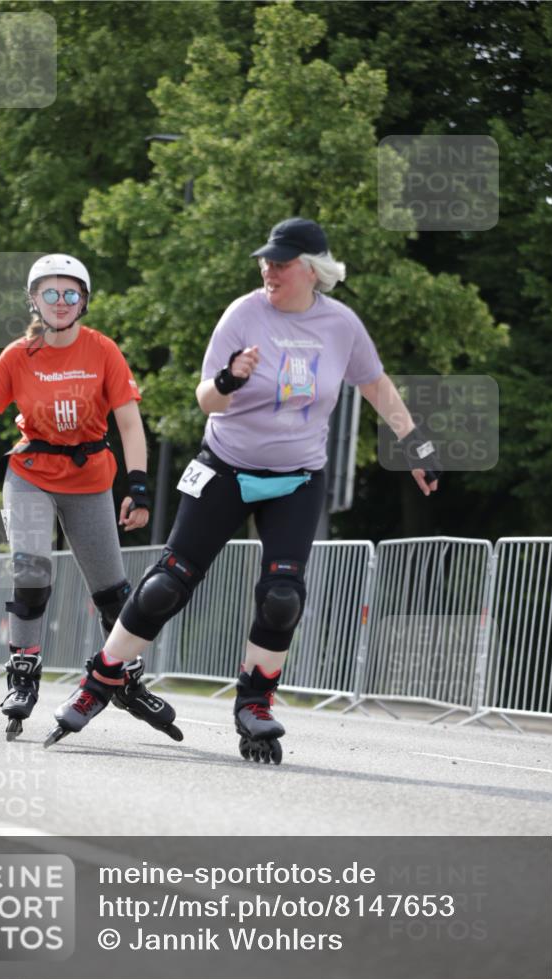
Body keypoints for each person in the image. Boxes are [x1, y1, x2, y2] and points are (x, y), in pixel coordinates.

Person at [46, 219, 441, 761]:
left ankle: (255, 703)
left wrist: (414, 443)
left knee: (283, 598)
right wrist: (231, 378)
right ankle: (100, 681)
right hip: (226, 468)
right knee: (167, 584)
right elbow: (207, 399)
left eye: (281, 263)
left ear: (312, 269)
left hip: (297, 480)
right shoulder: (244, 313)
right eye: (266, 262)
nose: (268, 270)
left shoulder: (341, 325)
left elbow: (374, 383)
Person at [0, 253, 182, 744]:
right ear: (34, 299)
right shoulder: (18, 354)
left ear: (84, 301)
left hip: (90, 476)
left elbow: (128, 421)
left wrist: (138, 485)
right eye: (50, 293)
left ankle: (126, 676)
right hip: (31, 471)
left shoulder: (103, 351)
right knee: (32, 568)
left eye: (71, 293)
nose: (61, 302)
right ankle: (23, 671)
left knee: (113, 593)